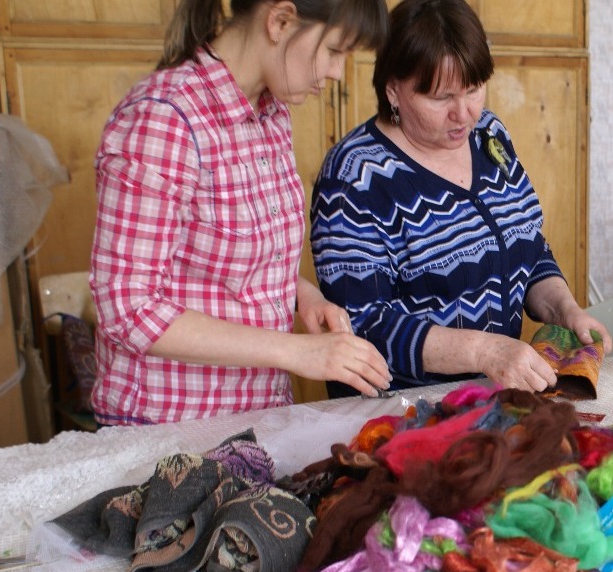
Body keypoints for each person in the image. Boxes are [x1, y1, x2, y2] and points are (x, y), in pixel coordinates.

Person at [90, 0, 393, 426]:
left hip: (256, 416)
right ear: (280, 20)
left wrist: (303, 295)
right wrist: (296, 351)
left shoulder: (271, 112)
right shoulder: (164, 118)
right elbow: (128, 308)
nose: (337, 73)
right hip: (170, 427)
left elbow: (224, 262)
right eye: (334, 51)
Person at [310, 0, 611, 395]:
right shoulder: (355, 177)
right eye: (441, 98)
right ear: (393, 90)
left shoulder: (489, 136)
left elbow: (528, 248)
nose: (464, 114)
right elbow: (363, 326)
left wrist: (565, 310)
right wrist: (483, 351)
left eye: (473, 90)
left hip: (491, 399)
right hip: (399, 412)